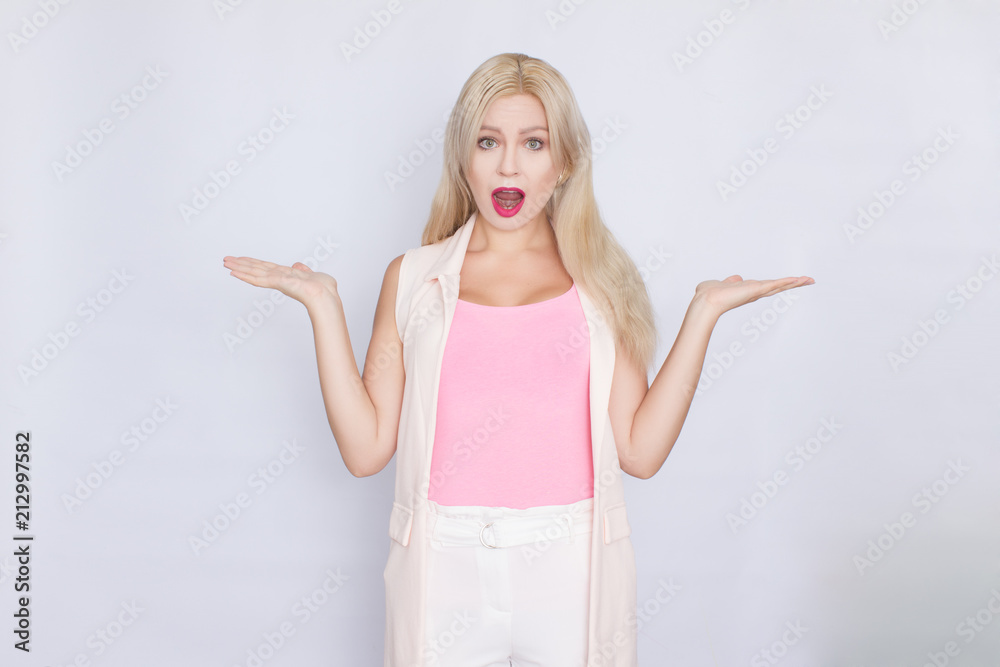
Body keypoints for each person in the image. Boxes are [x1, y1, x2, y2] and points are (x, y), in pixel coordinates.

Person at [223, 52, 813, 667]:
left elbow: (639, 451)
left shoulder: (602, 285)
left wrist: (704, 313)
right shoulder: (413, 279)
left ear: (564, 164)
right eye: (488, 141)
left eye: (534, 143)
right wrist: (322, 304)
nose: (509, 165)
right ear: (463, 157)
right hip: (442, 565)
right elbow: (366, 448)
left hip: (571, 567)